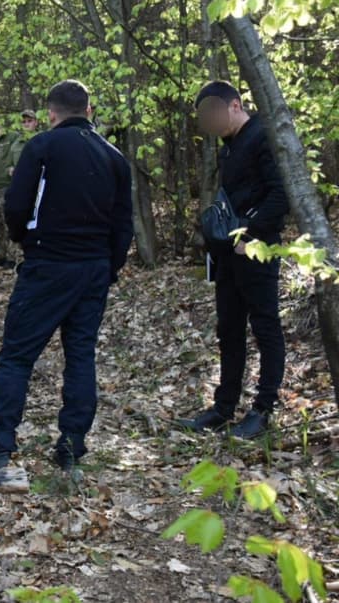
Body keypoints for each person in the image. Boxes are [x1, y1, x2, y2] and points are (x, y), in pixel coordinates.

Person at [0, 80, 133, 470]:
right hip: (93, 269)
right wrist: (110, 266)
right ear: (89, 111)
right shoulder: (114, 156)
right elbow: (124, 223)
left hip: (49, 264)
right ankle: (72, 444)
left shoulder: (41, 147)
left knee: (17, 355)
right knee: (80, 354)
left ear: (51, 114)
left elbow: (17, 203)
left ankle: (1, 444)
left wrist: (26, 240)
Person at [176, 81, 288, 440]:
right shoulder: (229, 147)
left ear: (235, 105)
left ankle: (263, 410)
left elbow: (281, 194)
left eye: (212, 114)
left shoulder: (262, 137)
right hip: (228, 256)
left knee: (265, 326)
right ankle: (224, 407)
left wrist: (250, 235)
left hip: (257, 251)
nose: (208, 124)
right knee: (229, 329)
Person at [0, 117, 28, 269]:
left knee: (9, 221)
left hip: (5, 186)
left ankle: (12, 256)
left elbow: (20, 154)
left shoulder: (12, 137)